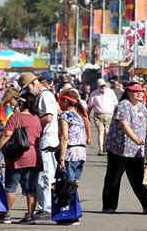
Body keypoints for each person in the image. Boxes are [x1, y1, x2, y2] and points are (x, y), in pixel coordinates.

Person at [102, 82, 147, 214]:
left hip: (136, 151)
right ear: (128, 93)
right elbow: (124, 124)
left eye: (141, 91)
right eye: (136, 91)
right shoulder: (124, 104)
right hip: (119, 149)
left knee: (138, 179)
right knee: (114, 178)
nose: (140, 93)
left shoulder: (142, 106)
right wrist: (135, 138)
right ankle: (109, 206)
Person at [0, 92, 43, 225]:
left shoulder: (16, 117)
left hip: (17, 156)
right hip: (34, 156)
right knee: (30, 188)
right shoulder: (36, 118)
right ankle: (30, 215)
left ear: (21, 103)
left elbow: (7, 134)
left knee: (11, 186)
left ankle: (6, 214)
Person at [18, 72, 58, 220]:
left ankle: (46, 207)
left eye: (28, 89)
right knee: (45, 172)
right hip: (47, 136)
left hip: (47, 136)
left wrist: (32, 125)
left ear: (33, 84)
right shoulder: (43, 95)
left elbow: (48, 117)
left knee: (44, 173)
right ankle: (46, 205)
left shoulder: (44, 95)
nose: (28, 92)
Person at [55, 89, 91, 225]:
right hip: (81, 152)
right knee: (73, 184)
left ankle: (68, 215)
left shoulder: (65, 115)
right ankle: (73, 213)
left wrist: (61, 159)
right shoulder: (79, 115)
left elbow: (65, 137)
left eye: (60, 100)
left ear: (65, 101)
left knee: (66, 185)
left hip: (70, 153)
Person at [87, 78, 118, 156]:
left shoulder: (111, 92)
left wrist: (116, 115)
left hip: (109, 115)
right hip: (98, 116)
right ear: (98, 86)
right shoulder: (94, 93)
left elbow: (115, 104)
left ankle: (106, 147)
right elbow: (90, 106)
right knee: (101, 132)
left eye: (104, 86)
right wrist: (87, 116)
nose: (103, 87)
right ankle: (101, 149)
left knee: (107, 132)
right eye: (101, 86)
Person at [0, 87, 20, 161]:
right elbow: (2, 122)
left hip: (2, 134)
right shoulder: (3, 107)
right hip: (0, 134)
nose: (17, 101)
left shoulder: (7, 107)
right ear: (11, 98)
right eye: (16, 98)